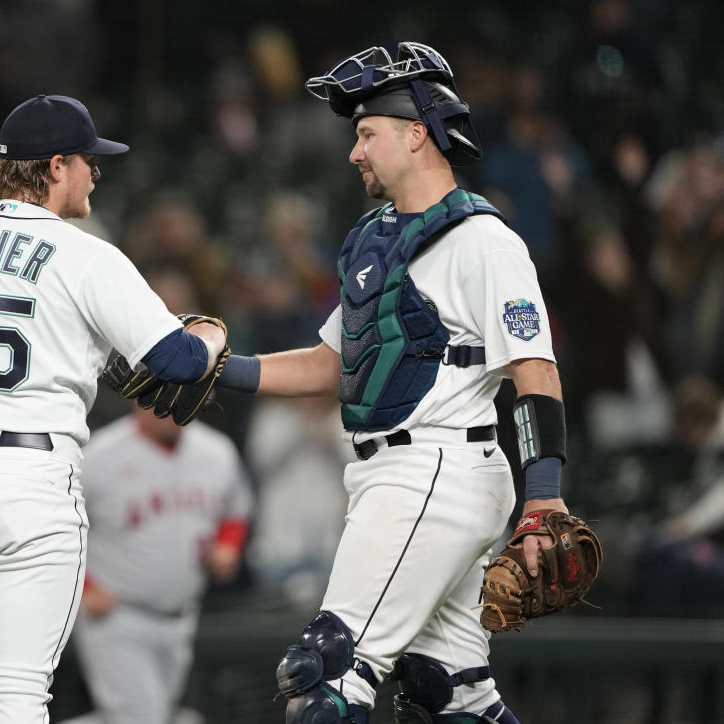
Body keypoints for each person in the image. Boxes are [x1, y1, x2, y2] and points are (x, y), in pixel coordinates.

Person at [212, 42, 574, 723]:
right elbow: (331, 364)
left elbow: (535, 370)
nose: (355, 151)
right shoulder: (373, 237)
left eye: (367, 133)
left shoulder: (483, 241)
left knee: (326, 676)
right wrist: (219, 369)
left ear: (417, 134)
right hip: (402, 473)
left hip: (437, 467)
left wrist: (544, 499)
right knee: (450, 692)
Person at [0, 94, 228, 723]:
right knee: (19, 693)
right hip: (29, 477)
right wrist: (213, 335)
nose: (95, 173)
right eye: (87, 161)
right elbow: (182, 362)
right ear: (55, 166)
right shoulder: (85, 254)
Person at [59, 403, 251, 724]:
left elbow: (237, 509)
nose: (169, 407)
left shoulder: (216, 451)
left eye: (179, 396)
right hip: (118, 617)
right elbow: (56, 523)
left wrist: (227, 546)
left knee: (150, 716)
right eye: (157, 396)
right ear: (137, 399)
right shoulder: (100, 455)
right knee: (144, 717)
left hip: (183, 616)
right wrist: (83, 585)